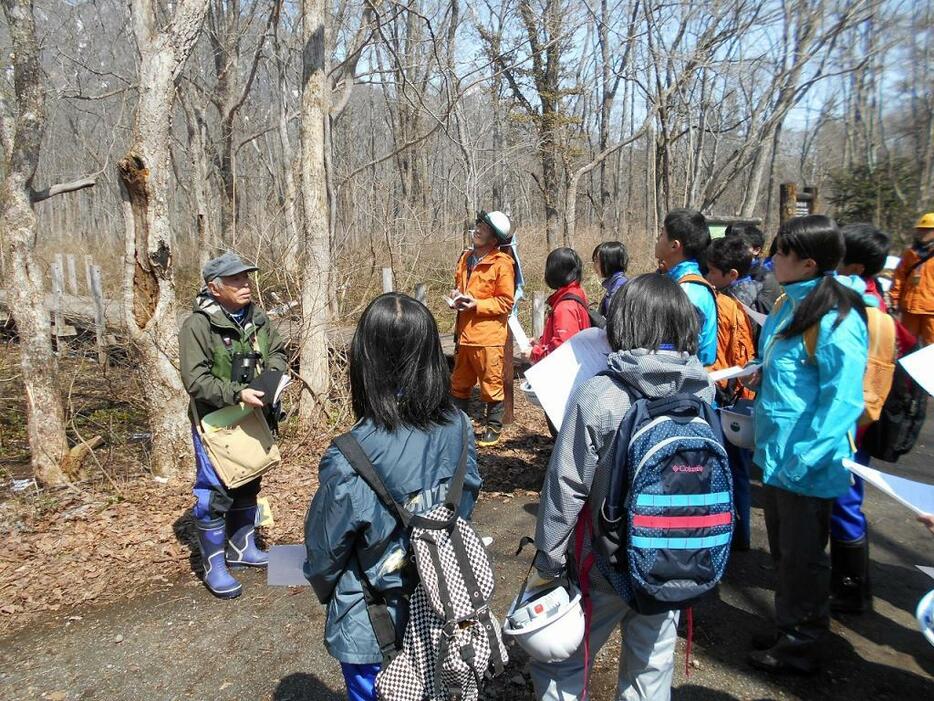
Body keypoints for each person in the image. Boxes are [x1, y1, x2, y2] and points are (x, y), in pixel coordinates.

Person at [530, 273, 715, 700]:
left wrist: (549, 557)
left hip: (605, 561)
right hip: (674, 558)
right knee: (651, 666)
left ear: (623, 324)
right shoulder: (702, 388)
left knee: (564, 662)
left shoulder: (601, 393)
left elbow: (567, 484)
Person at [304, 293, 482, 701]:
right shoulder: (458, 426)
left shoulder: (350, 453)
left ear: (364, 360)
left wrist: (327, 588)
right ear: (432, 356)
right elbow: (464, 505)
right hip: (444, 603)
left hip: (372, 620)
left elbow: (324, 555)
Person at [748, 215, 868, 674]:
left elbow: (844, 399)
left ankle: (802, 644)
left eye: (780, 252)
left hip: (805, 462)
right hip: (778, 454)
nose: (771, 258)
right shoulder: (787, 303)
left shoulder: (836, 315)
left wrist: (806, 456)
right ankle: (789, 625)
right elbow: (783, 363)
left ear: (808, 262)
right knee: (785, 554)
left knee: (803, 559)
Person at [178, 252, 288, 599]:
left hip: (254, 415)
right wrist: (238, 393)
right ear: (215, 288)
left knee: (249, 478)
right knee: (215, 492)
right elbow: (195, 381)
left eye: (246, 278)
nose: (245, 285)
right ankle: (215, 565)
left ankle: (242, 548)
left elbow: (278, 352)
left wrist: (271, 380)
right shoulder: (198, 325)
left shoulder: (256, 317)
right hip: (216, 421)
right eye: (236, 280)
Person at [830, 224, 916, 613]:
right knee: (844, 500)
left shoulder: (862, 306)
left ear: (855, 264)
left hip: (855, 425)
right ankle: (846, 583)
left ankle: (851, 588)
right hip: (858, 420)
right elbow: (910, 343)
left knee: (845, 502)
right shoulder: (875, 296)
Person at [450, 210, 516, 447]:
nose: (477, 230)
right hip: (464, 334)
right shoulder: (465, 258)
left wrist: (477, 304)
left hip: (488, 336)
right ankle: (459, 426)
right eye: (478, 225)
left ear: (494, 239)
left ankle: (494, 427)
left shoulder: (502, 264)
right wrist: (456, 297)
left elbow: (506, 302)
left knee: (491, 385)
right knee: (459, 383)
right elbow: (460, 286)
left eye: (484, 229)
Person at [655, 208, 717, 367]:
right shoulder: (678, 282)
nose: (658, 238)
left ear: (675, 245)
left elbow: (677, 355)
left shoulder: (687, 293)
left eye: (662, 234)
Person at [528, 247, 591, 363]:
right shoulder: (577, 294)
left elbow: (563, 348)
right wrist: (541, 343)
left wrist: (534, 353)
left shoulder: (565, 306)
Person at [890, 212, 934, 345]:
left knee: (931, 347)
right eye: (920, 229)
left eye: (926, 230)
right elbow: (899, 278)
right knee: (906, 344)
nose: (921, 233)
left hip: (931, 311)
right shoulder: (909, 254)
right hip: (910, 309)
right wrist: (894, 300)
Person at [726, 222, 781, 311]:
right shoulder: (725, 270)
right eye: (729, 245)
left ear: (756, 250)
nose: (732, 250)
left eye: (740, 246)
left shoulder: (763, 278)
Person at [706, 235, 761, 310]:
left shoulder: (732, 305)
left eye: (712, 271)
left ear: (732, 274)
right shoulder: (751, 287)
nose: (707, 277)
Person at [591, 241, 629, 318]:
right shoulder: (613, 283)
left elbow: (615, 321)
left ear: (610, 261)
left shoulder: (619, 287)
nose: (594, 266)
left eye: (597, 261)